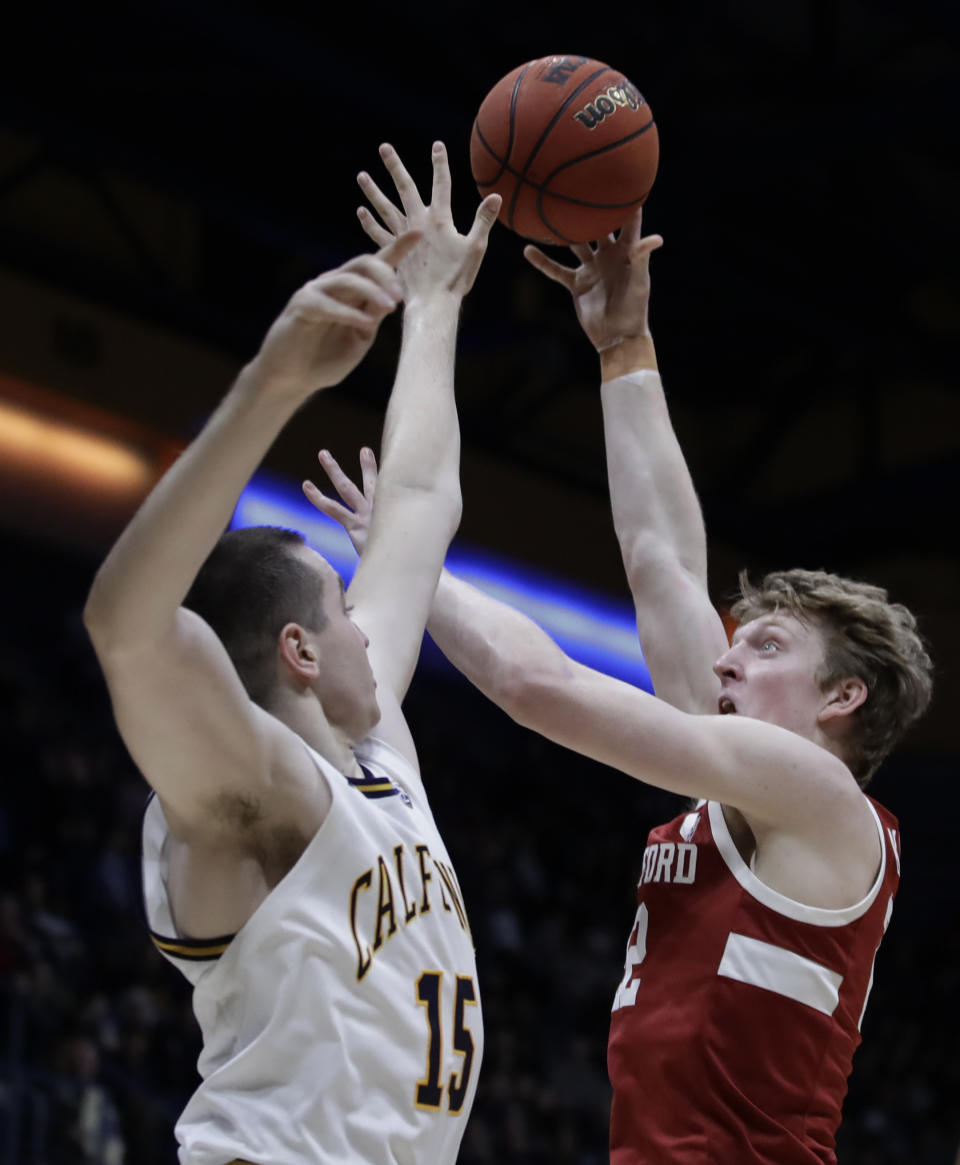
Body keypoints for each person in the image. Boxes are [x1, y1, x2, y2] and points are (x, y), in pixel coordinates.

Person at [308, 208, 934, 1164]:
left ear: (841, 696)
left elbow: (533, 682)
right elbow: (659, 561)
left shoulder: (820, 799)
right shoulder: (743, 780)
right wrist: (623, 346)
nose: (726, 658)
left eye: (764, 646)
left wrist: (414, 559)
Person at [83, 142, 499, 1165]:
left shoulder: (377, 749)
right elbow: (128, 626)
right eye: (346, 612)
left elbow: (416, 506)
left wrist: (436, 303)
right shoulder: (253, 786)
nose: (375, 620)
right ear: (301, 648)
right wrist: (270, 386)